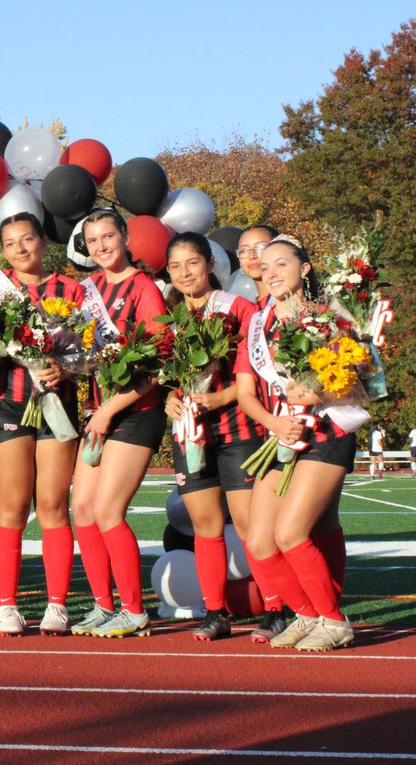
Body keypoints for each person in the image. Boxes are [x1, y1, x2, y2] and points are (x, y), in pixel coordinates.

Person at [234, 235, 356, 651]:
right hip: (280, 438)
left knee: (291, 533)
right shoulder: (257, 325)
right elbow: (246, 392)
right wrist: (273, 422)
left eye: (281, 264)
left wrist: (316, 394)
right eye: (265, 268)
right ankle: (307, 615)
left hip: (327, 433)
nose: (272, 274)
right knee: (260, 542)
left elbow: (362, 377)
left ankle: (334, 621)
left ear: (305, 268)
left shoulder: (330, 315)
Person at [69, 208, 168, 638]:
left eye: (108, 237)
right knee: (83, 510)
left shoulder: (144, 287)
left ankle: (134, 610)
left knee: (109, 511)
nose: (102, 247)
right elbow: (73, 349)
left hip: (134, 412)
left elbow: (158, 361)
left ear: (125, 237)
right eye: (93, 241)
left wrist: (110, 408)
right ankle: (104, 606)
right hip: (98, 413)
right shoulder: (84, 290)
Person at [0, 213, 82, 636]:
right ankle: (6, 604)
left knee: (54, 506)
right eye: (10, 243)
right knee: (13, 507)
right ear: (2, 249)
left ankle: (57, 605)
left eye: (28, 239)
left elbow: (94, 349)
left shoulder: (72, 289)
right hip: (7, 405)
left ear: (43, 241)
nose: (21, 249)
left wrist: (66, 367)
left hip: (57, 406)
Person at [161, 233, 263, 641]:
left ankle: (275, 608)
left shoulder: (237, 308)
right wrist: (170, 396)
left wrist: (221, 397)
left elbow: (255, 371)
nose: (185, 273)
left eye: (193, 263)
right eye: (176, 266)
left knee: (249, 524)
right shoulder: (170, 318)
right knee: (206, 525)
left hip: (237, 427)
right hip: (190, 432)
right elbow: (167, 375)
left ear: (209, 264)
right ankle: (216, 612)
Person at [234, 225, 279, 307]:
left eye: (260, 247)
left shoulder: (289, 305)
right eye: (244, 250)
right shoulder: (249, 311)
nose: (252, 256)